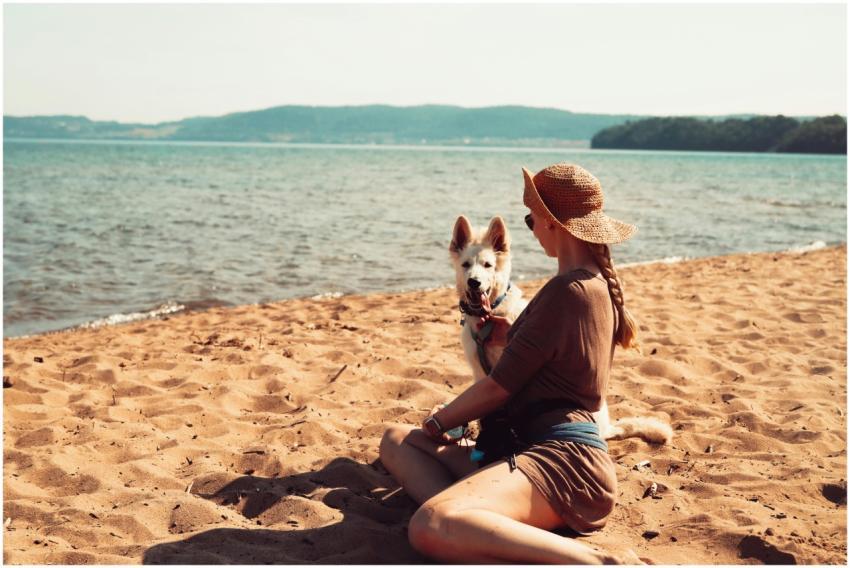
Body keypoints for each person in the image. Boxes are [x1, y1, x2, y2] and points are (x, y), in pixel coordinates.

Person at [379, 163, 642, 564]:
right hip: (528, 447)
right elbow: (555, 354)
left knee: (428, 525)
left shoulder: (566, 291)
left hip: (566, 464)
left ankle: (595, 562)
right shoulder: (587, 284)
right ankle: (483, 523)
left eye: (531, 218)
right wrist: (509, 336)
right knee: (397, 440)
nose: (531, 227)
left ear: (553, 222)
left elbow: (496, 388)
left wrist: (439, 422)